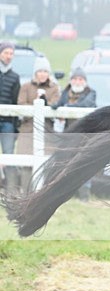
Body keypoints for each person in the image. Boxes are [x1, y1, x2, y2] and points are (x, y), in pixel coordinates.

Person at [15, 56, 61, 191]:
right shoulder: (26, 87)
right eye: (40, 71)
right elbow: (21, 104)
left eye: (45, 71)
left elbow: (55, 105)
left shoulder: (54, 88)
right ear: (35, 73)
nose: (42, 74)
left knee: (45, 163)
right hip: (28, 130)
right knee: (26, 163)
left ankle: (42, 192)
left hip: (46, 131)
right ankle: (26, 192)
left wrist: (45, 102)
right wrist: (35, 103)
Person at [54, 68, 97, 201]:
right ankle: (63, 194)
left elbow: (86, 104)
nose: (77, 82)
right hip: (69, 134)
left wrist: (67, 107)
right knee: (64, 164)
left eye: (80, 79)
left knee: (84, 164)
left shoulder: (91, 93)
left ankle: (84, 196)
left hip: (86, 135)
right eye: (75, 79)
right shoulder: (66, 93)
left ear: (84, 81)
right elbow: (58, 105)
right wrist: (51, 105)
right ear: (71, 80)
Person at [0, 41, 21, 192]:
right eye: (6, 53)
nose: (8, 56)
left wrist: (15, 126)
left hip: (7, 122)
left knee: (9, 154)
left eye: (11, 53)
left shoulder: (15, 77)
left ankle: (11, 189)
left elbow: (16, 102)